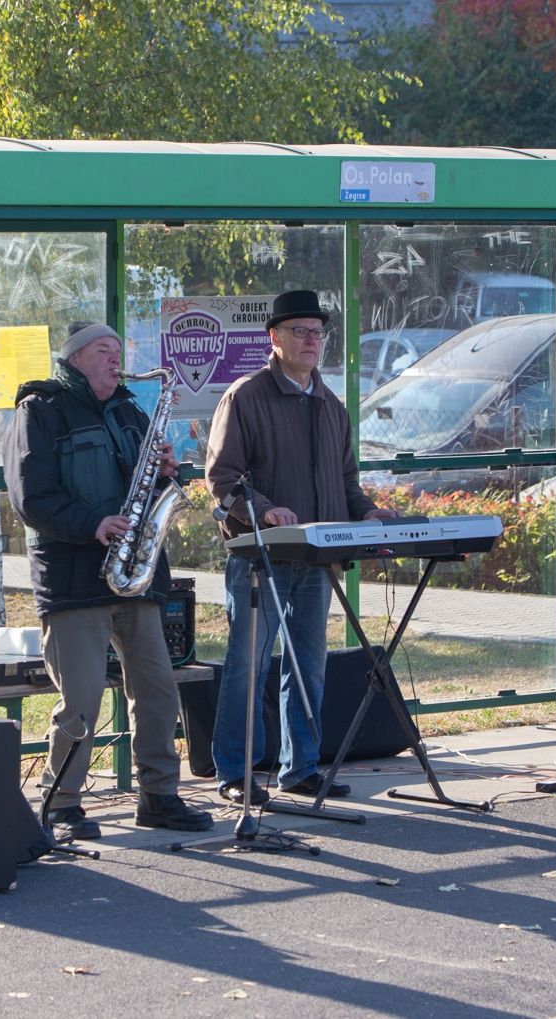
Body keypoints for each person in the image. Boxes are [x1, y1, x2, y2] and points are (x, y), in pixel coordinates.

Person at [3, 320, 212, 839]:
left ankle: (159, 796)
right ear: (75, 358)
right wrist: (91, 524)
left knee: (159, 691)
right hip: (75, 579)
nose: (116, 360)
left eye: (119, 350)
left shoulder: (130, 411)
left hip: (136, 575)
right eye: (103, 350)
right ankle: (60, 803)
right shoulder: (40, 410)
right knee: (81, 699)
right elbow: (30, 495)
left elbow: (146, 485)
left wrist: (167, 473)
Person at [204, 290, 398, 805]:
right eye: (300, 331)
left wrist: (367, 512)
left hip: (318, 558)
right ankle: (236, 772)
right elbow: (221, 479)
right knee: (248, 665)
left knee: (309, 663)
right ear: (275, 337)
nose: (312, 340)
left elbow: (346, 480)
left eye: (317, 332)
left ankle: (301, 768)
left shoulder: (331, 404)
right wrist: (265, 509)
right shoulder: (244, 397)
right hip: (261, 559)